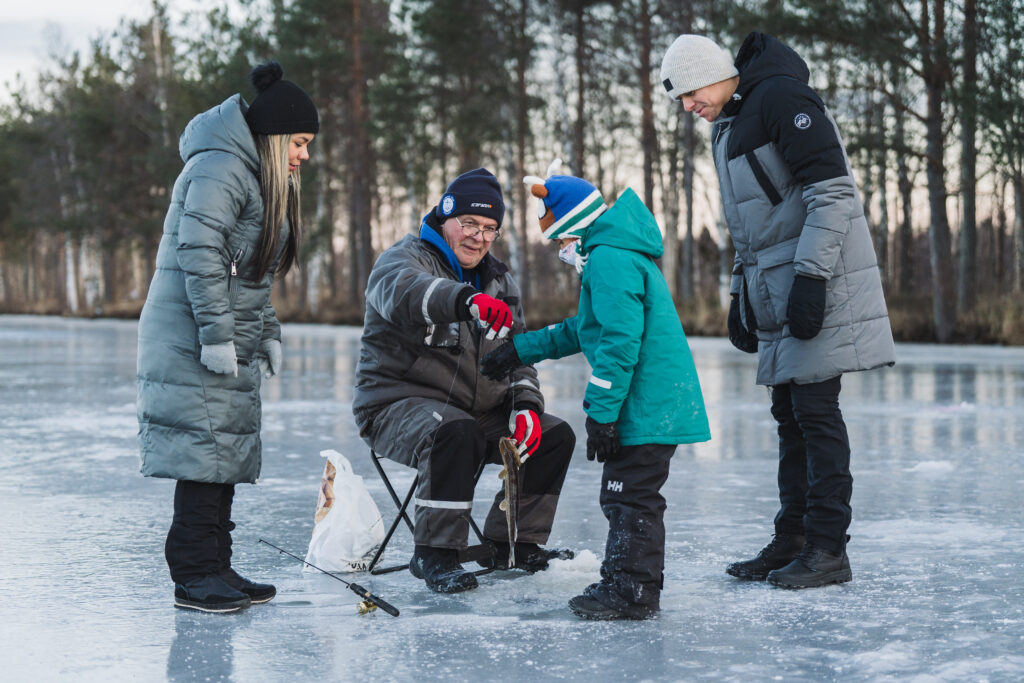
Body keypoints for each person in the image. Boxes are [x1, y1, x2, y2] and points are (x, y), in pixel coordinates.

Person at [659, 32, 896, 588]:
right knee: (790, 417)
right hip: (776, 288)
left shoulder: (782, 99)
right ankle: (793, 538)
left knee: (816, 413)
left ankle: (828, 548)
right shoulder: (730, 123)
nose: (689, 107)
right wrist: (742, 293)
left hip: (817, 280)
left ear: (716, 72)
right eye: (682, 101)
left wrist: (811, 282)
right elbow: (751, 226)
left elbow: (832, 194)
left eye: (692, 92)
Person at [481, 162, 711, 620]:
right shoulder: (614, 253)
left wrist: (602, 412)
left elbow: (619, 343)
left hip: (645, 406)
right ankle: (629, 580)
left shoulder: (609, 258)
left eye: (561, 241)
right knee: (626, 495)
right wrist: (520, 349)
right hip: (648, 403)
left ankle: (632, 592)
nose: (562, 251)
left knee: (630, 497)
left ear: (573, 226)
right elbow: (585, 329)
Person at [137, 61, 318, 612]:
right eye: (300, 142)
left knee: (222, 452)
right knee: (203, 452)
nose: (304, 155)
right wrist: (217, 337)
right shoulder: (221, 168)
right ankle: (193, 575)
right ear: (275, 136)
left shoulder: (255, 177)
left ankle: (217, 566)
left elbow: (251, 274)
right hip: (191, 334)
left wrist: (266, 332)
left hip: (219, 331)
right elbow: (202, 255)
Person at [351, 168, 575, 594]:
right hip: (394, 406)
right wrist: (466, 300)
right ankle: (434, 554)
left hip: (477, 410)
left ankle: (512, 543)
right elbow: (408, 293)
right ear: (445, 218)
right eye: (469, 224)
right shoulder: (402, 259)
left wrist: (526, 406)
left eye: (490, 228)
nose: (479, 236)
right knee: (455, 431)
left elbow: (519, 352)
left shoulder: (500, 279)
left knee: (554, 436)